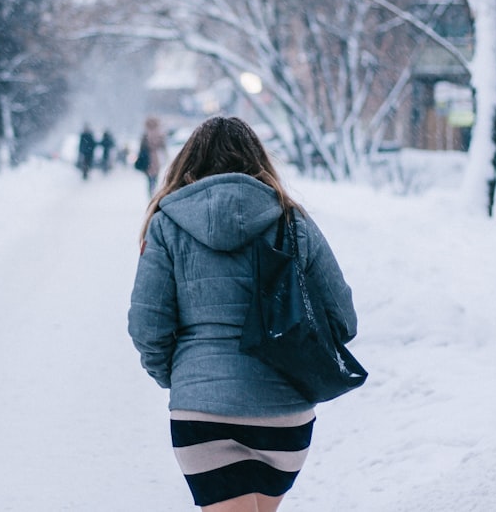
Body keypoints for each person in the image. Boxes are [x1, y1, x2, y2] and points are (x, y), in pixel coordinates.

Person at [128, 116, 358, 512]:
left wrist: (182, 376)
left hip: (202, 414)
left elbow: (148, 326)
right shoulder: (293, 221)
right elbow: (342, 320)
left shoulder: (166, 226)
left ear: (187, 163)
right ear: (259, 161)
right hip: (284, 415)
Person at [136, 116, 167, 196]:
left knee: (150, 179)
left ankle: (152, 193)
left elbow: (141, 148)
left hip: (148, 159)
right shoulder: (159, 134)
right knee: (155, 177)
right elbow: (163, 146)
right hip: (155, 159)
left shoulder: (145, 135)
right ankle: (154, 192)